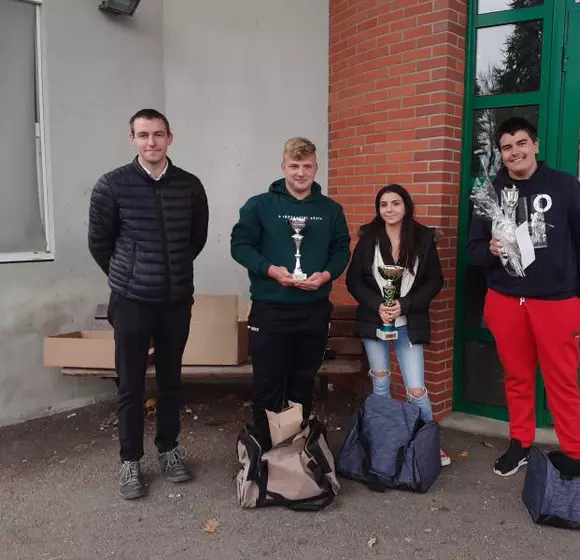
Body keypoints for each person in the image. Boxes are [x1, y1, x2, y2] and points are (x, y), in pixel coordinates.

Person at [466, 117, 580, 477]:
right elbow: (473, 250)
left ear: (535, 146)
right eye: (507, 147)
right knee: (516, 377)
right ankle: (520, 443)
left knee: (562, 380)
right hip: (505, 301)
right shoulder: (489, 193)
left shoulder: (564, 185)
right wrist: (490, 248)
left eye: (521, 144)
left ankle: (576, 452)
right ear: (501, 154)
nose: (515, 152)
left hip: (556, 302)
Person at [88, 109, 209, 499]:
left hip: (175, 301)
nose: (151, 142)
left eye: (158, 134)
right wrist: (130, 274)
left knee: (171, 380)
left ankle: (169, 451)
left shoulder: (189, 186)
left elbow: (196, 239)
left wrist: (169, 271)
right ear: (132, 140)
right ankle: (130, 462)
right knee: (131, 383)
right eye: (143, 135)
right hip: (132, 301)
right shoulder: (112, 186)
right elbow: (100, 243)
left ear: (170, 138)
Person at [230, 137, 351, 452]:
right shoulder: (259, 206)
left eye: (307, 166)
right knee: (267, 384)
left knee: (302, 383)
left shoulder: (331, 210)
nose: (300, 173)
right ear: (283, 166)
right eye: (294, 166)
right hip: (270, 309)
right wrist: (270, 269)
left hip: (313, 310)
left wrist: (326, 275)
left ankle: (298, 451)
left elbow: (341, 250)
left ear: (316, 168)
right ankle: (265, 454)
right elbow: (240, 246)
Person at [346, 184, 451, 467]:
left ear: (406, 206)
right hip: (375, 320)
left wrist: (405, 305)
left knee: (416, 388)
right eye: (383, 205)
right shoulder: (369, 237)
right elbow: (353, 280)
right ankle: (382, 442)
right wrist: (376, 304)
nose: (389, 210)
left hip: (409, 322)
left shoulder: (423, 238)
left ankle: (429, 446)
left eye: (395, 203)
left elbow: (435, 281)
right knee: (380, 383)